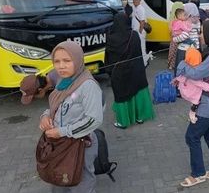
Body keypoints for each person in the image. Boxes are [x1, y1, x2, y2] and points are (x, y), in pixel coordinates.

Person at [38, 41, 103, 192]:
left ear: (78, 60)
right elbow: (55, 107)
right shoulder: (63, 81)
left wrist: (62, 131)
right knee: (60, 178)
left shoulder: (87, 85)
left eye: (67, 61)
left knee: (82, 183)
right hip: (60, 145)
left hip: (80, 145)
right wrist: (45, 116)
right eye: (57, 61)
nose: (61, 66)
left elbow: (94, 119)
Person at [178, 20, 209, 188]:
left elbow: (195, 73)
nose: (200, 35)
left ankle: (198, 174)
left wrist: (182, 62)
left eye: (202, 32)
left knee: (191, 136)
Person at [105, 13, 154, 129]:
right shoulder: (134, 35)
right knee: (137, 92)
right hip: (136, 70)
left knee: (122, 96)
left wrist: (109, 72)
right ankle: (140, 117)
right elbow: (138, 53)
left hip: (120, 73)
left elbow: (108, 58)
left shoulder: (111, 38)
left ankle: (123, 122)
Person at [131, 0, 149, 66]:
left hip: (140, 31)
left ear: (139, 0)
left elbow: (142, 21)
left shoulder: (140, 8)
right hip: (136, 31)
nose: (135, 0)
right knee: (138, 47)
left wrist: (140, 32)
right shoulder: (135, 8)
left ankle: (144, 62)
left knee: (142, 47)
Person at [168, 2, 185, 70]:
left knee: (172, 52)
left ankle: (171, 65)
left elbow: (171, 30)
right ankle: (175, 65)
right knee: (177, 52)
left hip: (174, 39)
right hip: (178, 39)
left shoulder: (172, 20)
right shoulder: (180, 22)